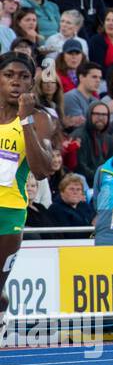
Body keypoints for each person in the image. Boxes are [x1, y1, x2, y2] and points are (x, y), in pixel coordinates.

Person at [0, 52, 57, 336]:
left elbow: (42, 169)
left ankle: (1, 305)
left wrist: (24, 122)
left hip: (9, 212)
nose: (16, 82)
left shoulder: (40, 119)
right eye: (9, 75)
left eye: (23, 77)